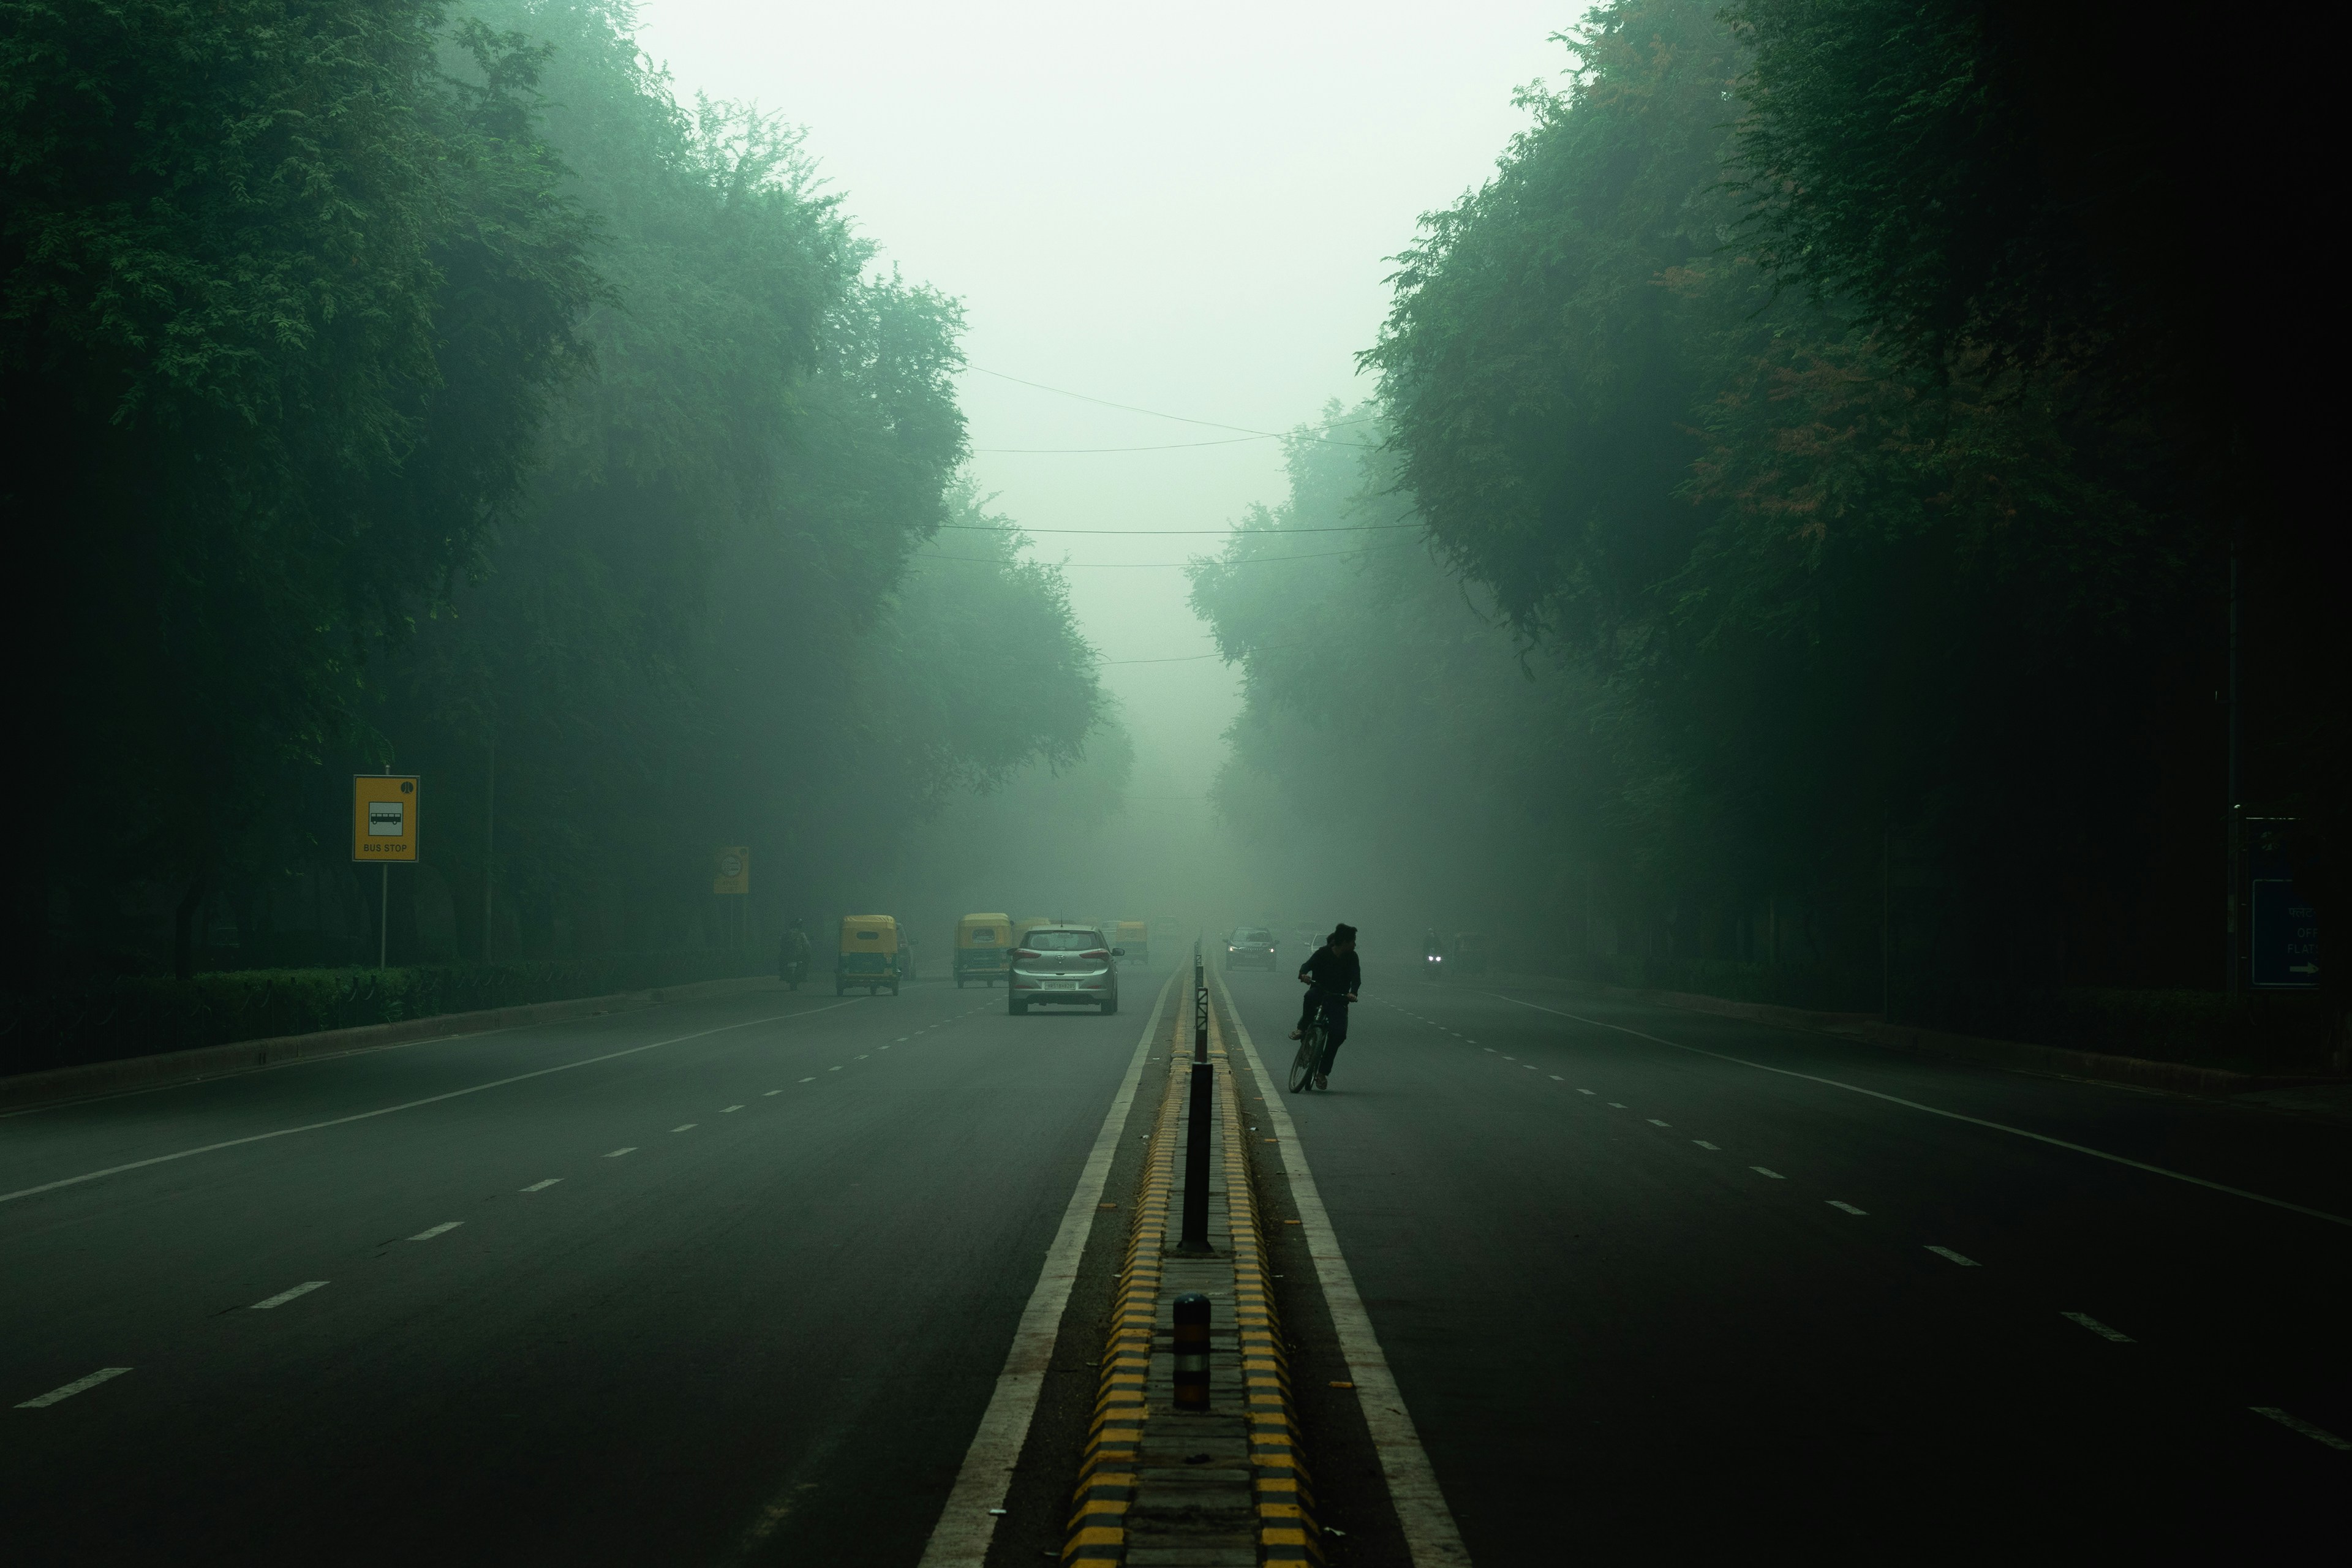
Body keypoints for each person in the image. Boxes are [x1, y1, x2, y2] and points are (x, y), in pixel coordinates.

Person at [1289, 924, 1360, 1090]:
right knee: (1309, 997)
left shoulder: (1352, 957)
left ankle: (1322, 1073)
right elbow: (1307, 966)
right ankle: (1302, 1029)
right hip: (1319, 992)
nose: (1355, 945)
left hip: (1338, 999)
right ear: (1345, 942)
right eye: (1353, 941)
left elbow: (1356, 978)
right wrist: (1304, 975)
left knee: (1338, 1034)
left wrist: (1353, 992)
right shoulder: (1323, 953)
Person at [779, 918, 811, 986]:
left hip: (787, 955)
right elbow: (806, 945)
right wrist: (808, 950)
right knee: (807, 959)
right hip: (798, 954)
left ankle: (782, 975)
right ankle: (805, 975)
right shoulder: (801, 934)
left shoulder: (786, 934)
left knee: (781, 960)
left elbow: (781, 944)